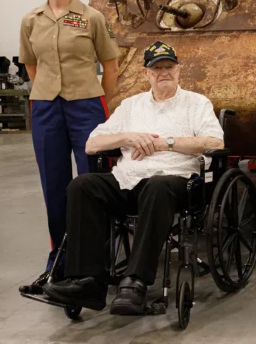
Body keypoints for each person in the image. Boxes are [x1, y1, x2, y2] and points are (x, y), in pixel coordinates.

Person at [42, 41, 225, 316]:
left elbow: (215, 142)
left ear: (178, 70)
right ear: (146, 74)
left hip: (175, 178)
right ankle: (88, 281)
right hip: (129, 179)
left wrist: (166, 143)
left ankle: (135, 281)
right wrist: (129, 137)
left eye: (168, 67)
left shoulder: (196, 103)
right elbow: (92, 144)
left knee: (158, 185)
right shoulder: (131, 106)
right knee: (82, 186)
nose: (163, 72)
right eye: (156, 68)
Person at [19, 0, 120, 291]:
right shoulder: (31, 20)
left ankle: (96, 261)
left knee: (92, 182)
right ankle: (59, 263)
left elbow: (110, 66)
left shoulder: (92, 17)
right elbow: (31, 64)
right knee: (54, 185)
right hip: (46, 108)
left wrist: (106, 104)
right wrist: (47, 90)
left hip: (87, 106)